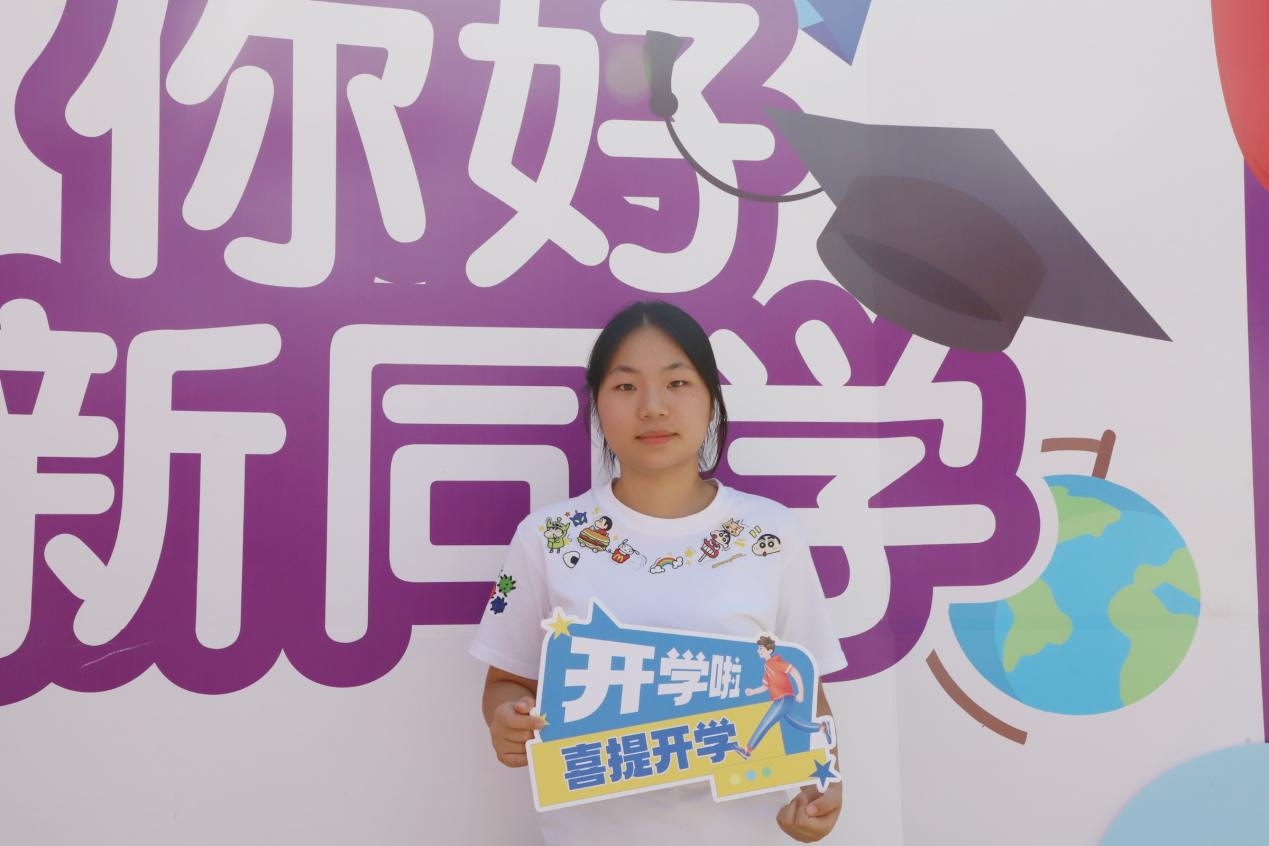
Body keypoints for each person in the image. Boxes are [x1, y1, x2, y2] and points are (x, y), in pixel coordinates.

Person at [469, 300, 847, 845]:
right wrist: (507, 717)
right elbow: (506, 682)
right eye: (625, 386)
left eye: (677, 383)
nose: (652, 407)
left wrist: (821, 788)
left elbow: (805, 691)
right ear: (597, 404)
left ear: (711, 398)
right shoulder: (548, 537)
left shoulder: (770, 534)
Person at [734, 636, 834, 760]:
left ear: (769, 650)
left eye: (761, 648)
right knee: (796, 723)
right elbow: (766, 686)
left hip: (783, 700)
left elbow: (795, 672)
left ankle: (747, 751)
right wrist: (753, 691)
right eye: (758, 648)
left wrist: (801, 692)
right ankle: (821, 727)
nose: (758, 651)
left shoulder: (776, 663)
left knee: (765, 723)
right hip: (784, 700)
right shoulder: (767, 666)